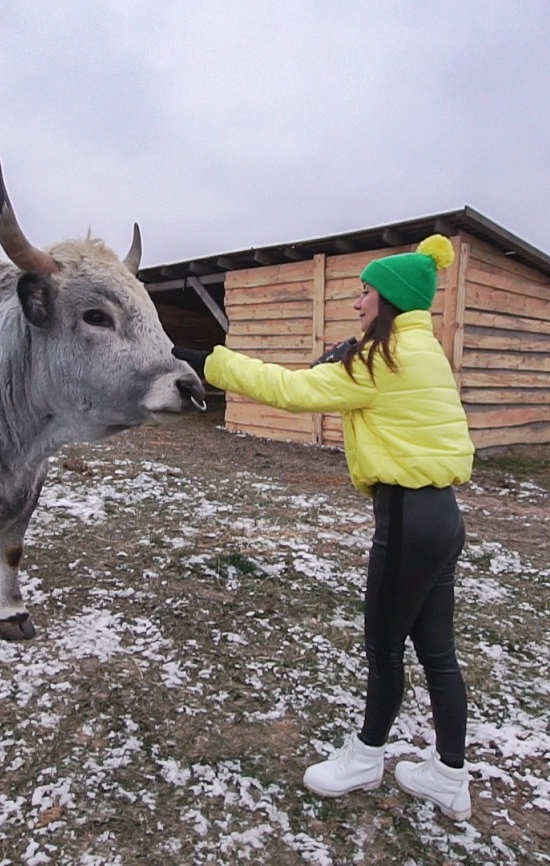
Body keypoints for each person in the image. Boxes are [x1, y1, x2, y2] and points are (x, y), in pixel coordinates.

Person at [172, 235, 476, 820]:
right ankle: (448, 776)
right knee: (438, 653)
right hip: (442, 519)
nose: (358, 303)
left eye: (365, 293)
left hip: (409, 522)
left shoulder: (379, 360)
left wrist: (212, 356)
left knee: (384, 646)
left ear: (389, 300)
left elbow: (293, 392)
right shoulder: (421, 351)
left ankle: (364, 758)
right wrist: (349, 358)